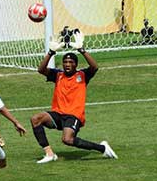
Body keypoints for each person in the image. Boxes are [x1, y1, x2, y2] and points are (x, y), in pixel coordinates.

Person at [30, 30, 118, 164]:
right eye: (65, 62)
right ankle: (49, 153)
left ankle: (102, 148)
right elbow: (41, 70)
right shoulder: (58, 75)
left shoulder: (82, 75)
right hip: (58, 114)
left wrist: (82, 50)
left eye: (70, 62)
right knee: (35, 119)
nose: (67, 64)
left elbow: (95, 66)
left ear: (76, 64)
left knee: (67, 140)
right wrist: (50, 52)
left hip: (73, 115)